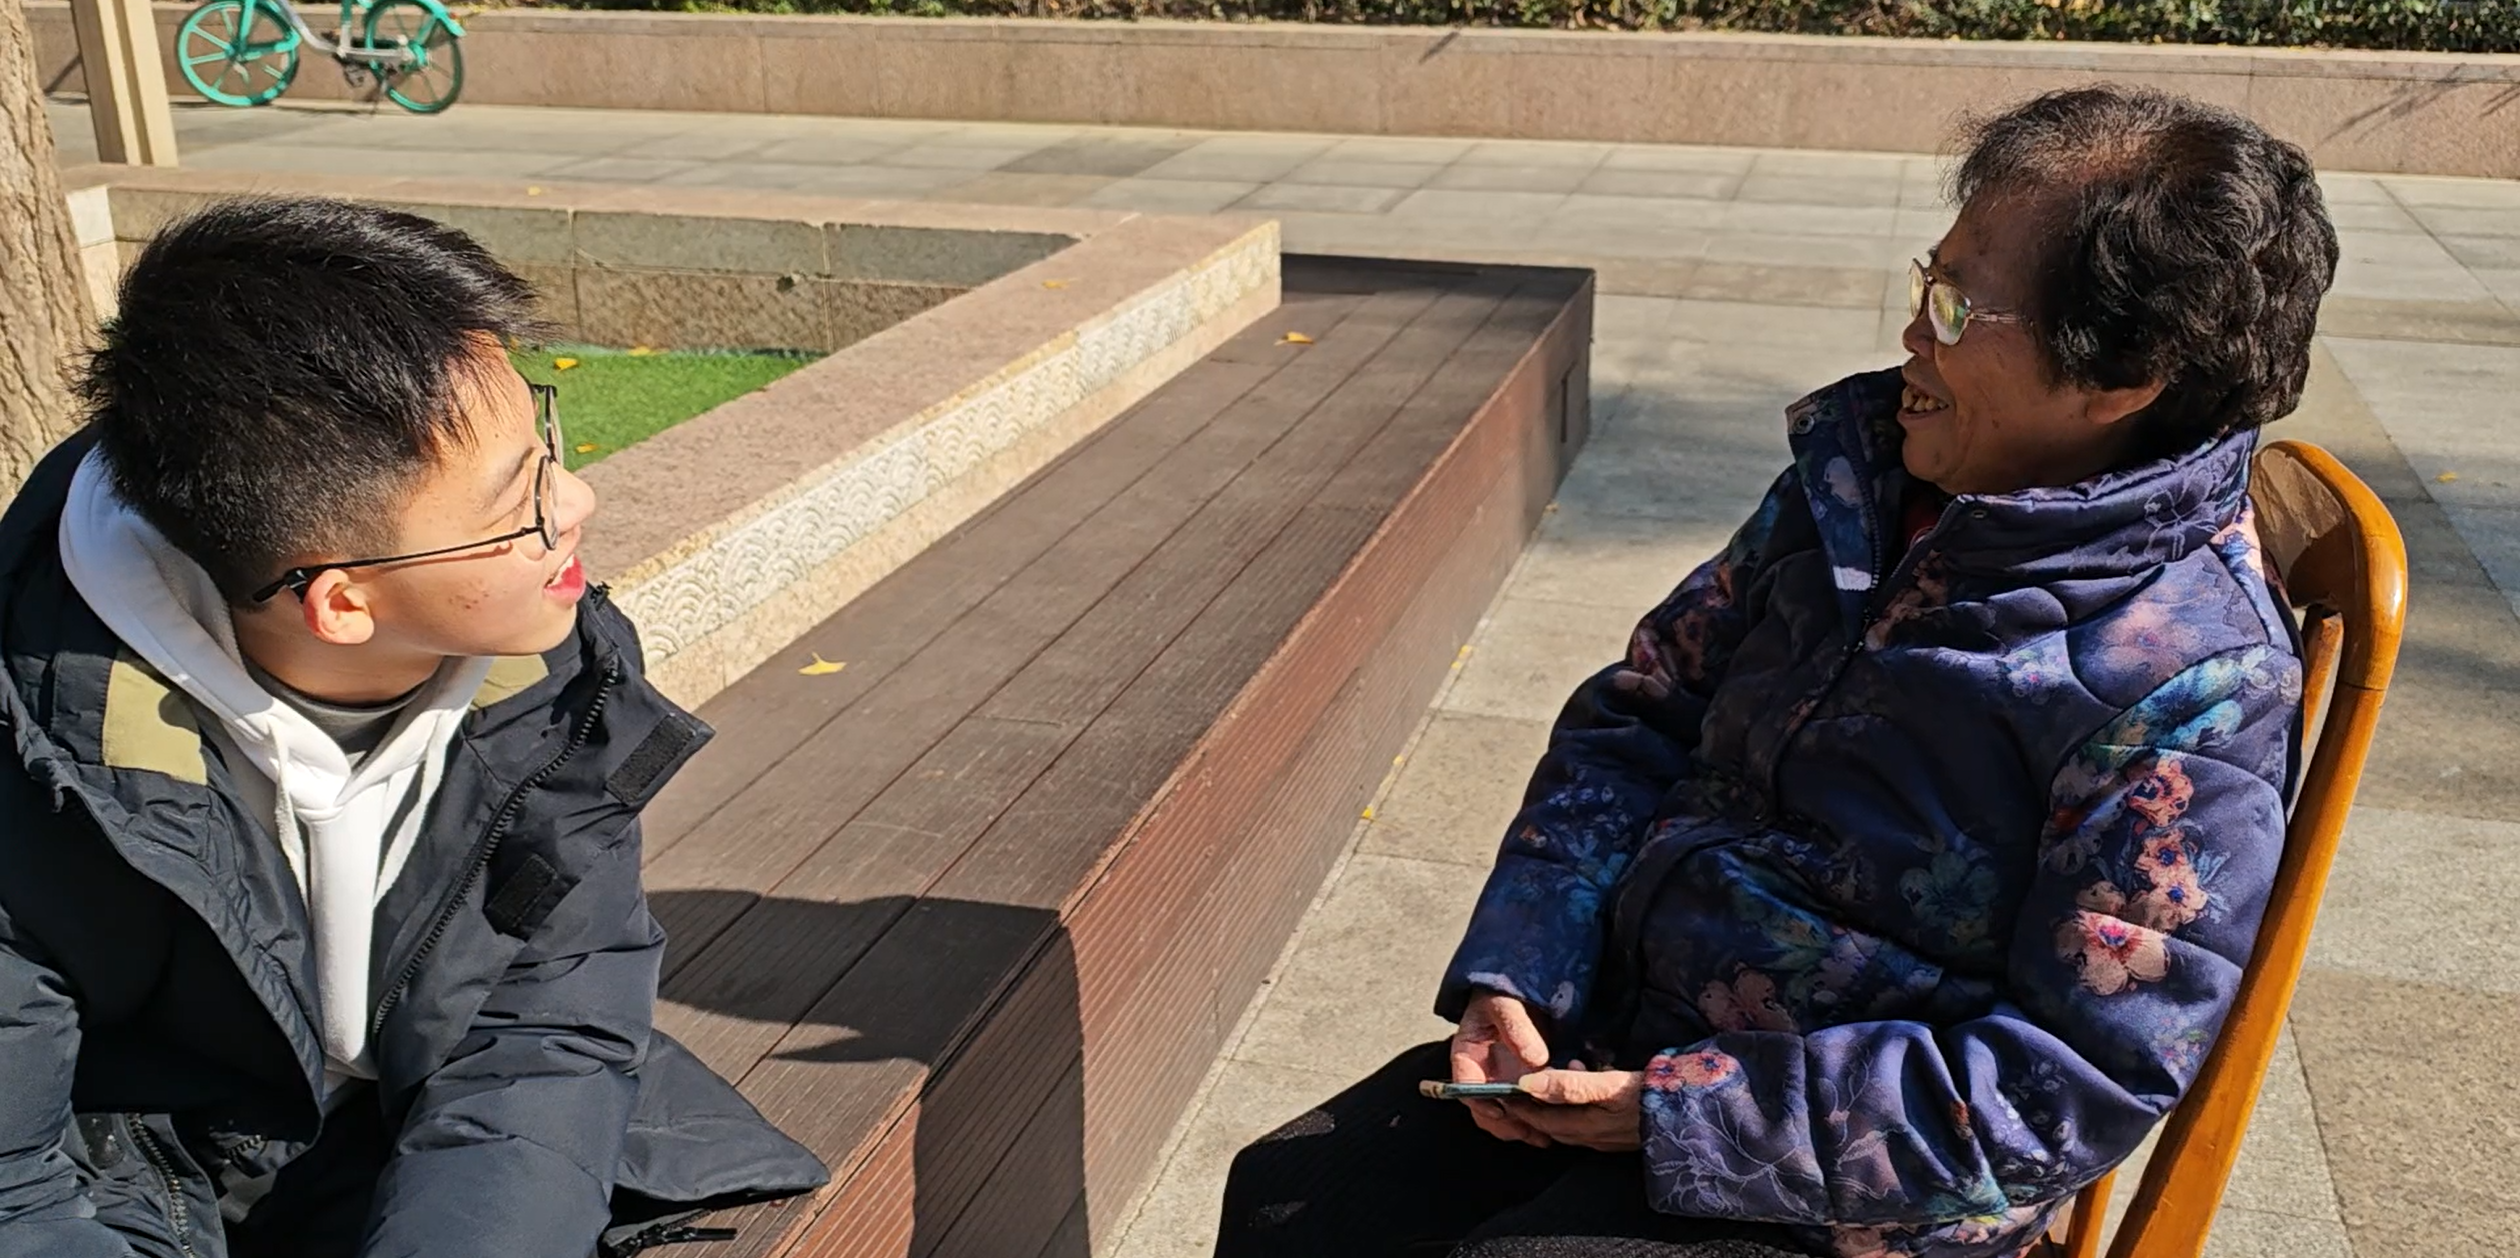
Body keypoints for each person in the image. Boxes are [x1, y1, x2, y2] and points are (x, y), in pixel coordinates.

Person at [1217, 84, 2337, 1258]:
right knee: (1299, 1196)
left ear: (2122, 378)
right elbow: (1643, 710)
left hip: (1850, 1189)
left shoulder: (2192, 681)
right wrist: (1527, 970)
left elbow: (2069, 1082)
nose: (1914, 332)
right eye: (1928, 278)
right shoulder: (1859, 487)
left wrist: (1685, 1115)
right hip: (1628, 1044)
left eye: (1959, 307)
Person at [0, 199, 828, 1258]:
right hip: (124, 1175)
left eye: (546, 446)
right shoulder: (40, 757)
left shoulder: (548, 676)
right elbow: (17, 1187)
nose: (576, 500)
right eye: (517, 506)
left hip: (392, 1140)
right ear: (342, 604)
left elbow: (540, 1035)